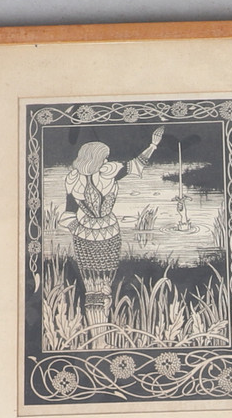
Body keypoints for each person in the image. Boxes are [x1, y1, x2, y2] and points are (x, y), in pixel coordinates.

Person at [63, 127, 164, 342]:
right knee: (98, 288)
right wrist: (153, 146)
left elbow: (69, 214)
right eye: (104, 157)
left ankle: (99, 336)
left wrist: (153, 145)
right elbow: (137, 164)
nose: (107, 160)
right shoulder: (100, 175)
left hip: (90, 235)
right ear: (96, 159)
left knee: (96, 288)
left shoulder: (78, 178)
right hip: (103, 234)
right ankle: (99, 337)